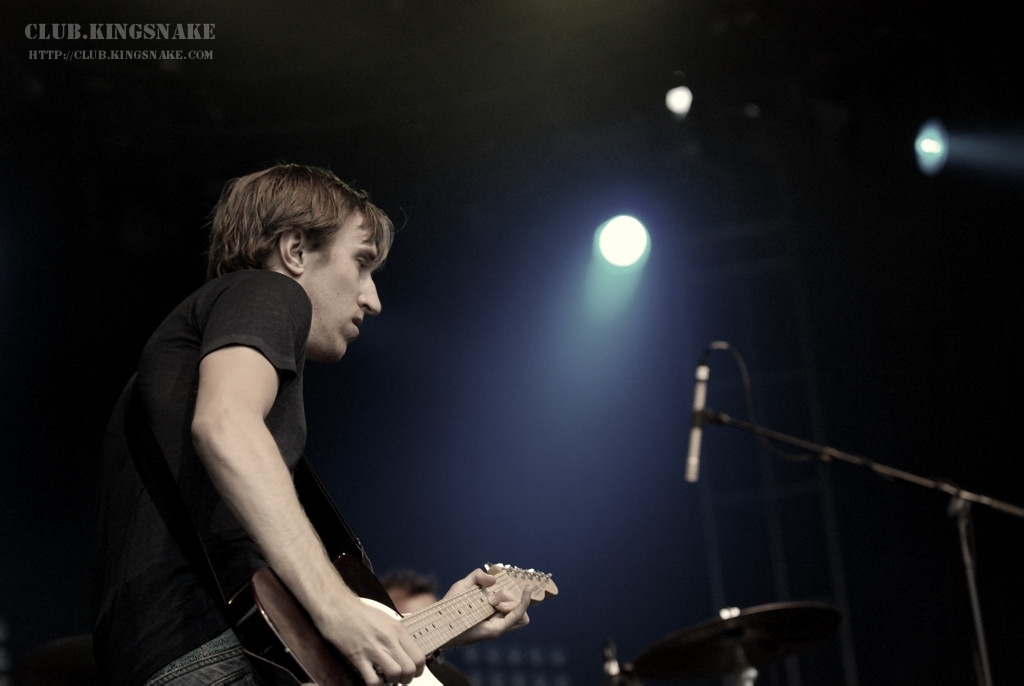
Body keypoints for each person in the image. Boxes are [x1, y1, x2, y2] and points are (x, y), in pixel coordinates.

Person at [92, 163, 531, 686]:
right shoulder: (266, 291)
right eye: (361, 263)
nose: (373, 299)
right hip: (213, 655)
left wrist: (436, 625)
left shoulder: (200, 369)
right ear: (295, 251)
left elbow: (289, 627)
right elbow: (225, 425)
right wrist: (335, 606)